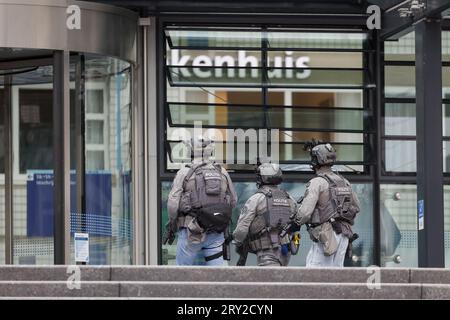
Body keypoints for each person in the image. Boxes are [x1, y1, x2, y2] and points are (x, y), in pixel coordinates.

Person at [167, 136, 237, 265]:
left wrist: (172, 222)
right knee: (218, 275)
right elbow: (233, 201)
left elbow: (173, 203)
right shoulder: (222, 172)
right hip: (216, 231)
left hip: (191, 231)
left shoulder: (184, 172)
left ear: (191, 151)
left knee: (182, 272)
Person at [294, 143, 360, 267]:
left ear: (316, 160)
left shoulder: (317, 182)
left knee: (315, 273)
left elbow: (305, 213)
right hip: (344, 235)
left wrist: (295, 222)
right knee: (336, 274)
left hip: (326, 235)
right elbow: (357, 206)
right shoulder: (344, 181)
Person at [233, 163, 297, 266]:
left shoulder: (257, 199)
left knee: (270, 280)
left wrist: (238, 241)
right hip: (286, 251)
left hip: (267, 251)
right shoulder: (289, 198)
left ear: (261, 178)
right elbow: (296, 222)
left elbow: (242, 227)